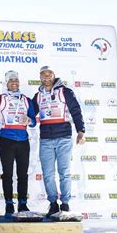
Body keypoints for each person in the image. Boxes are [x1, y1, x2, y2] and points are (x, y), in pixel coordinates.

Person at [32, 66, 85, 216]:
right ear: (40, 78)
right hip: (46, 139)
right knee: (48, 174)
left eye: (49, 74)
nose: (46, 77)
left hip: (64, 137)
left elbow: (76, 110)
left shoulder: (65, 91)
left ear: (54, 76)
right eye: (43, 75)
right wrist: (26, 120)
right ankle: (53, 203)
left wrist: (81, 131)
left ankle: (66, 204)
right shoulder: (38, 96)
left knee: (65, 172)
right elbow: (30, 113)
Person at [0, 70, 36, 216]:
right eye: (11, 80)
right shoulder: (0, 99)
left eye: (16, 80)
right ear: (6, 83)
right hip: (6, 140)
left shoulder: (26, 100)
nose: (14, 82)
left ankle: (22, 204)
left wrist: (29, 120)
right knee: (7, 174)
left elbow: (33, 121)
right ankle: (9, 204)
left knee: (23, 174)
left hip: (23, 140)